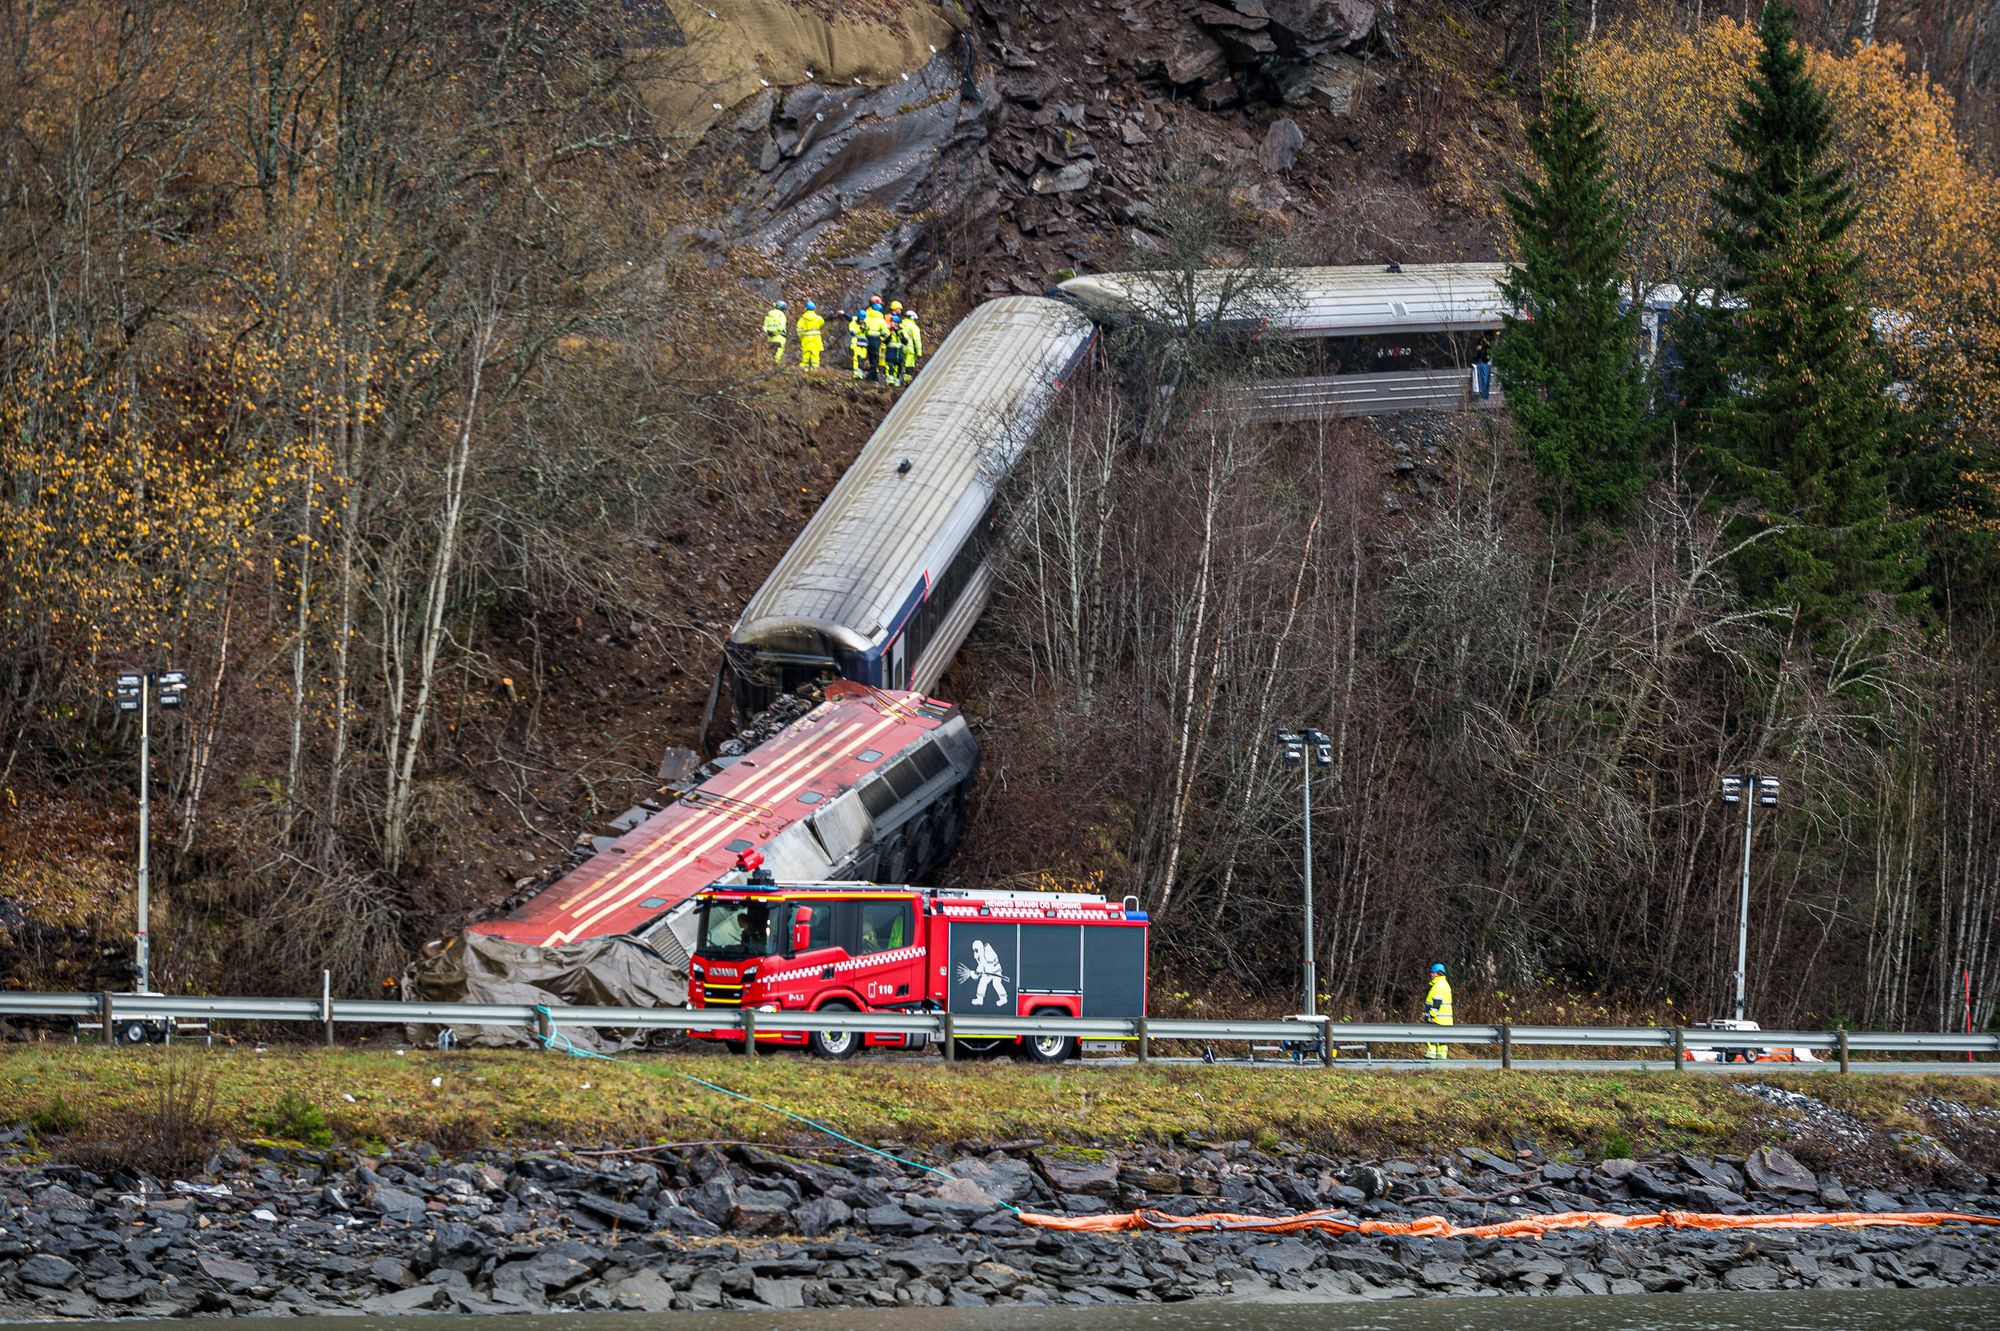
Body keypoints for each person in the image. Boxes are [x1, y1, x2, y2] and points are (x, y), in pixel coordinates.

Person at [1423, 962, 1453, 1060]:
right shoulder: (1445, 984)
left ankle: (1431, 1054)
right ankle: (1441, 1056)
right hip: (1446, 1019)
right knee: (1443, 1040)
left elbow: (1437, 1002)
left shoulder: (1438, 985)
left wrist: (1431, 1015)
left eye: (1433, 972)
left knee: (1431, 1035)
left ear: (1438, 973)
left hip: (1437, 1018)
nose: (1431, 974)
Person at [862, 296, 889, 382]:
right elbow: (885, 331)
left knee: (871, 357)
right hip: (876, 340)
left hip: (867, 339)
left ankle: (875, 377)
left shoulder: (867, 317)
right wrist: (884, 336)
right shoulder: (881, 320)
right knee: (875, 359)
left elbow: (864, 328)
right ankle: (869, 377)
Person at [796, 300, 824, 371]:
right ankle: (814, 370)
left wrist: (801, 336)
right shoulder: (818, 318)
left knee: (806, 354)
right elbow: (822, 323)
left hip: (806, 339)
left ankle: (804, 370)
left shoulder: (803, 318)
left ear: (806, 308)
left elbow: (799, 328)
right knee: (815, 355)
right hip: (816, 339)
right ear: (814, 308)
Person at [882, 314, 907, 387]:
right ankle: (890, 381)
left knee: (899, 367)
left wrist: (900, 336)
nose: (892, 323)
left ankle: (897, 381)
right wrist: (890, 335)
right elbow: (885, 341)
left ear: (897, 323)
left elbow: (905, 342)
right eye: (892, 322)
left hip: (899, 352)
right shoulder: (888, 330)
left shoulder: (902, 331)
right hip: (890, 352)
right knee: (890, 367)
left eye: (894, 322)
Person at [762, 300, 788, 364]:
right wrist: (776, 332)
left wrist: (769, 332)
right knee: (779, 351)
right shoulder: (781, 315)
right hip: (779, 336)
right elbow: (781, 326)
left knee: (770, 352)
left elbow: (765, 326)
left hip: (770, 337)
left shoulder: (769, 314)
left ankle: (769, 365)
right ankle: (776, 365)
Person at [900, 309, 924, 374]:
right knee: (909, 366)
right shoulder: (914, 327)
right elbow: (917, 340)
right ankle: (907, 382)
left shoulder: (901, 324)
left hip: (900, 348)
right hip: (910, 350)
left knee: (900, 365)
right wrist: (919, 353)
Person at [846, 308, 867, 380]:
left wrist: (865, 328)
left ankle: (860, 373)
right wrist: (860, 328)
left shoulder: (865, 323)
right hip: (856, 343)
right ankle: (856, 373)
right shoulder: (853, 322)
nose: (862, 320)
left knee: (862, 358)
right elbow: (853, 332)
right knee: (857, 358)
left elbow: (867, 332)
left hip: (864, 343)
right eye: (861, 319)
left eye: (863, 319)